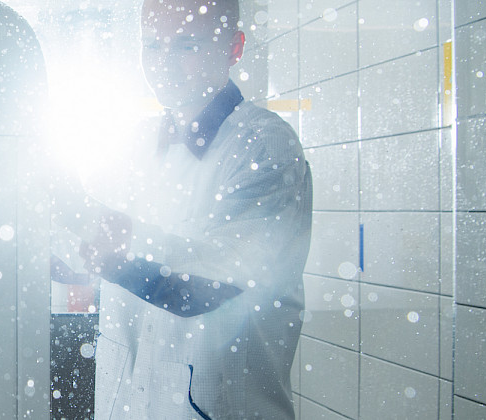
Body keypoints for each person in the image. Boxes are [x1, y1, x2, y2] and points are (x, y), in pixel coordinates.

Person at [53, 0, 313, 418]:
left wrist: (83, 216)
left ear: (234, 48)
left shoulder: (264, 148)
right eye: (152, 45)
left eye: (187, 45)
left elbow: (208, 283)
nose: (163, 63)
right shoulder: (135, 145)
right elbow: (77, 256)